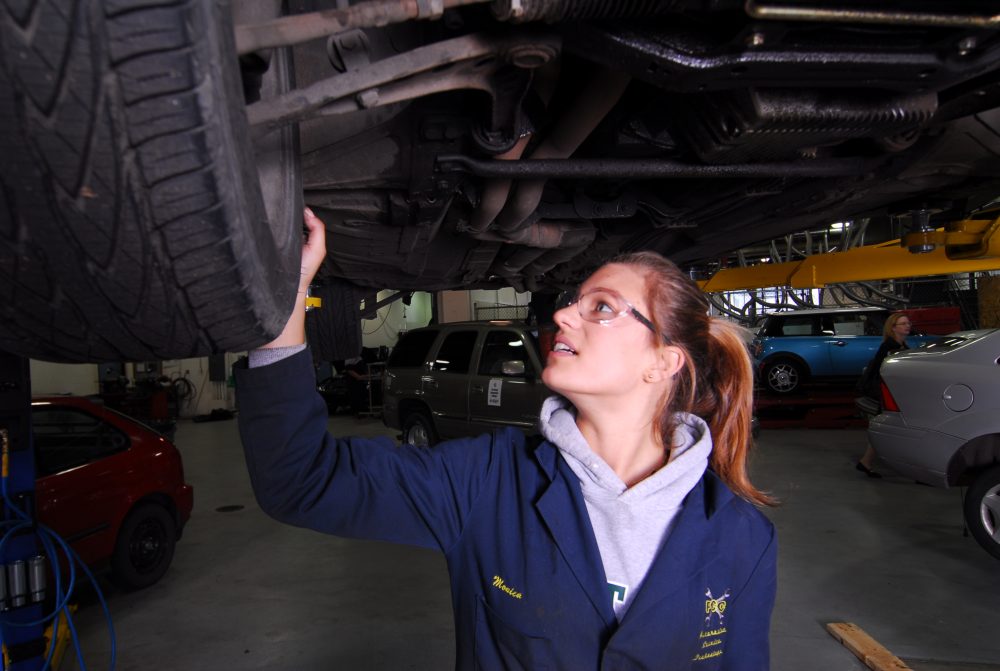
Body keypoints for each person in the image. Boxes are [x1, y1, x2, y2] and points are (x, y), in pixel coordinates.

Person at [234, 207, 777, 669]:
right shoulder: (485, 482)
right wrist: (288, 301)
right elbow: (301, 479)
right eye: (574, 300)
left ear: (663, 363)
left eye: (602, 307)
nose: (562, 314)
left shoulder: (743, 539)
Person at [856, 312, 912, 478]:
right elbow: (884, 372)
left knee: (888, 429)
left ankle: (866, 462)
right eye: (903, 323)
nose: (907, 326)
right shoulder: (889, 347)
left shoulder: (901, 346)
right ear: (893, 328)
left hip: (894, 394)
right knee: (887, 428)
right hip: (888, 394)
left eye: (908, 323)